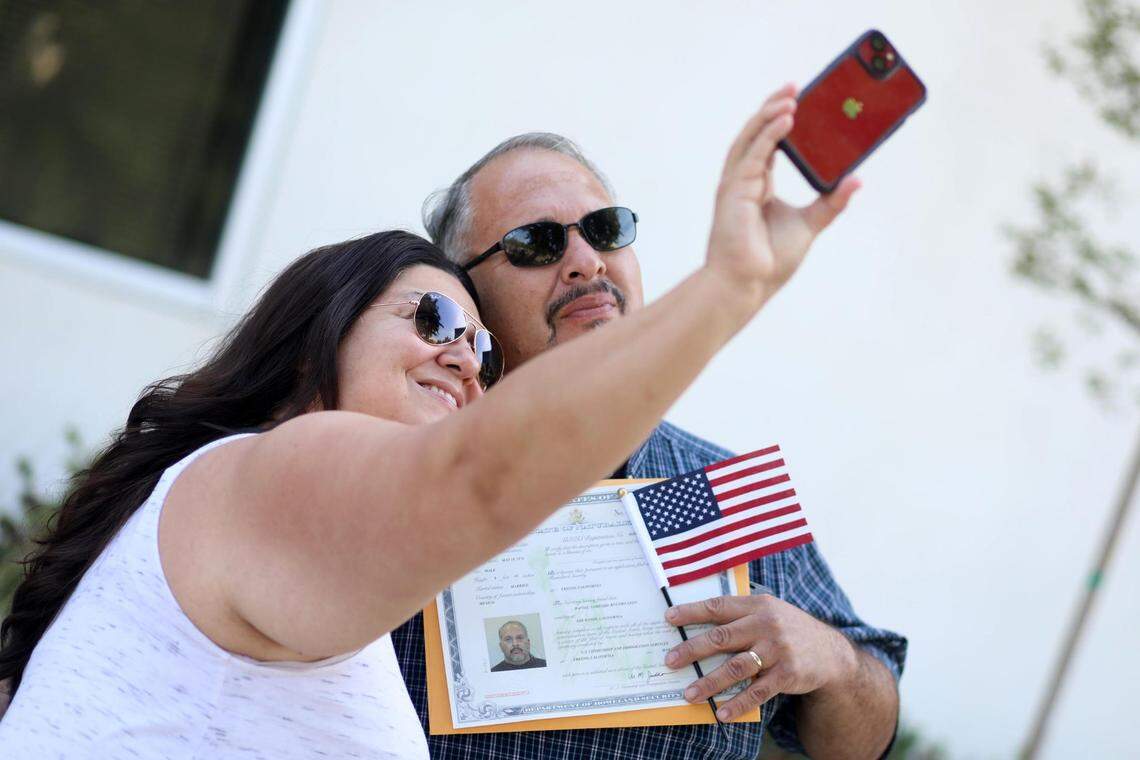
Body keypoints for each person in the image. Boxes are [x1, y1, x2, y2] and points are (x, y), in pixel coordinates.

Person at [0, 87, 822, 759]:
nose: (466, 359)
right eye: (432, 318)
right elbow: (480, 479)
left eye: (483, 348)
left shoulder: (256, 510)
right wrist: (729, 287)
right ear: (314, 337)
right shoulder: (270, 476)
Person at [399, 83, 907, 759]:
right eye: (536, 244)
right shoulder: (405, 474)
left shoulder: (718, 489)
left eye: (605, 230)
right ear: (462, 292)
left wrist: (831, 663)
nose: (586, 261)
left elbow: (863, 742)